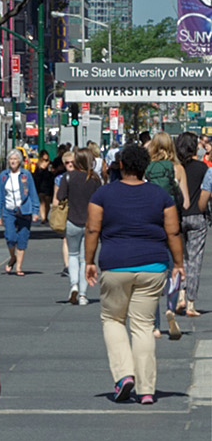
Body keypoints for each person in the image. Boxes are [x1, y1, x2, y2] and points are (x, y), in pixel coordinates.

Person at [84, 135, 185, 405]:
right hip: (153, 265)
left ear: (120, 165)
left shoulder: (103, 194)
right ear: (146, 166)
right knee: (143, 326)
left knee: (113, 320)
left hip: (115, 263)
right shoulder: (160, 195)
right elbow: (173, 231)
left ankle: (124, 375)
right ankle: (147, 389)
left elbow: (92, 228)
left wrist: (89, 261)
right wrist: (178, 264)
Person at [145, 134, 186, 335]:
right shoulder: (178, 169)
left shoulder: (147, 169)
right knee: (174, 269)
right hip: (172, 224)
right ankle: (170, 307)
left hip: (151, 225)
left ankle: (155, 325)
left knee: (153, 271)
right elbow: (185, 202)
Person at [174, 132, 207, 315]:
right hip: (196, 215)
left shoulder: (176, 168)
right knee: (194, 260)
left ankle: (180, 295)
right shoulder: (202, 168)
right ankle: (191, 303)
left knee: (180, 260)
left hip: (177, 217)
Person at [58, 152, 97, 307]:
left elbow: (60, 196)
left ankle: (73, 285)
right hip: (90, 223)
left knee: (73, 255)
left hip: (72, 220)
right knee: (85, 259)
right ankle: (83, 295)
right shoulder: (94, 179)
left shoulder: (68, 177)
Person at [0, 147, 39, 274]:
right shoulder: (4, 176)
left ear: (20, 161)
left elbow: (33, 193)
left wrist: (35, 211)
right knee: (10, 237)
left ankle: (19, 266)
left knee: (23, 238)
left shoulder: (26, 175)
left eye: (15, 159)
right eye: (10, 159)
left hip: (24, 209)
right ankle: (12, 257)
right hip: (9, 210)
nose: (13, 161)